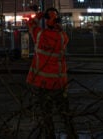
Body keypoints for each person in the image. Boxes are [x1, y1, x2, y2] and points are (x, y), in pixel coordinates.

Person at [26, 7, 75, 137]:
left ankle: (50, 135)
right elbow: (63, 34)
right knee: (65, 115)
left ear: (46, 21)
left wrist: (39, 15)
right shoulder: (62, 37)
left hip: (42, 85)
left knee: (46, 116)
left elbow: (30, 24)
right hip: (59, 84)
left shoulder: (40, 35)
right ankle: (71, 135)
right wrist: (56, 24)